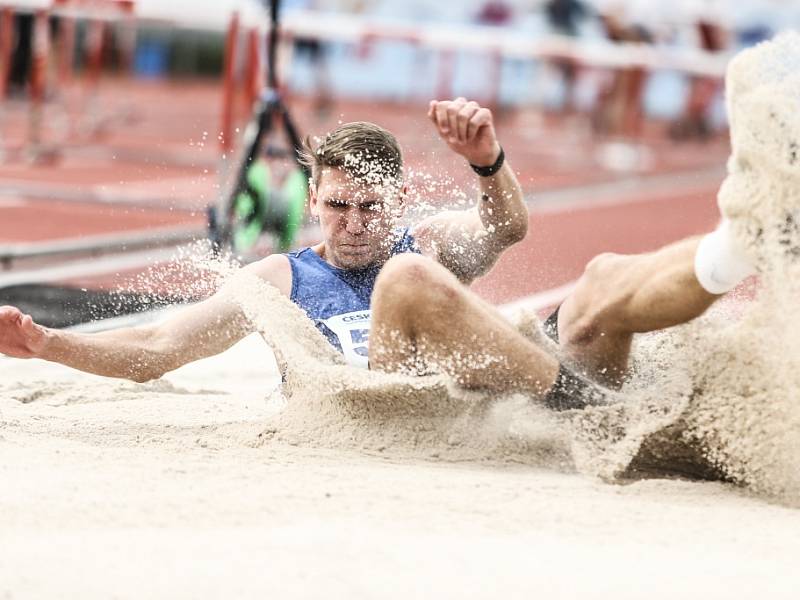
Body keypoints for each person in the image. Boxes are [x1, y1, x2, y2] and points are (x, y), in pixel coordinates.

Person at [0, 97, 755, 410]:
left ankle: (736, 245)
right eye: (338, 206)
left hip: (504, 398)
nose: (355, 224)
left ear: (395, 202)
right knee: (409, 277)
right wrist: (47, 343)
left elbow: (506, 231)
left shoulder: (419, 243)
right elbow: (158, 344)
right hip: (400, 415)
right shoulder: (282, 278)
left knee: (600, 280)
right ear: (313, 202)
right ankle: (582, 404)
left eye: (372, 207)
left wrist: (490, 165)